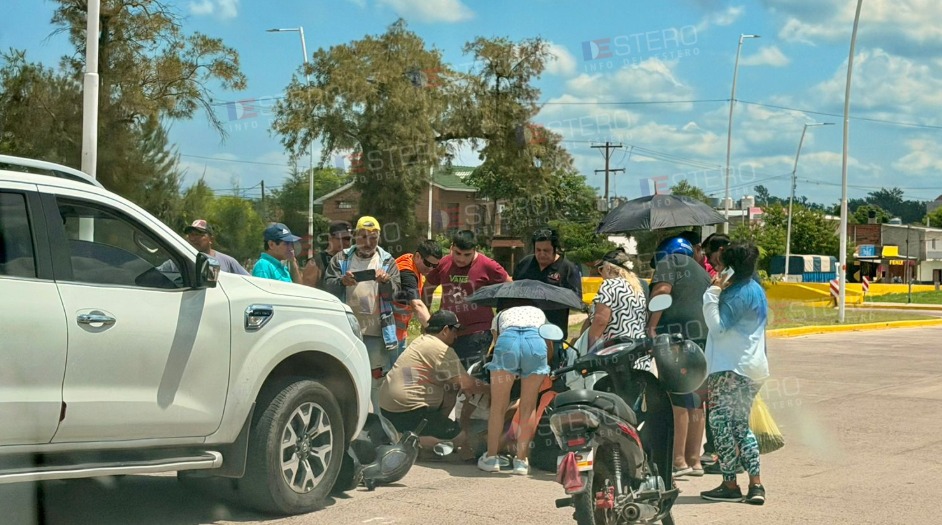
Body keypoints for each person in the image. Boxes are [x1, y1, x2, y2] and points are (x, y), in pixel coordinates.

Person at [699, 242, 769, 505]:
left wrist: (712, 293)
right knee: (740, 426)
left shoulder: (737, 294)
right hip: (752, 367)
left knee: (720, 425)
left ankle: (730, 483)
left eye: (721, 264)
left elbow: (718, 328)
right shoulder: (756, 290)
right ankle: (756, 484)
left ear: (731, 267)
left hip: (730, 368)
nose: (717, 268)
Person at [380, 310, 490, 456]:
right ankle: (406, 439)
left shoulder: (420, 341)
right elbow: (467, 384)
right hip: (409, 411)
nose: (456, 336)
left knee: (450, 388)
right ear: (445, 330)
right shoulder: (441, 349)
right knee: (460, 437)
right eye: (454, 331)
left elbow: (455, 384)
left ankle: (411, 434)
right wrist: (493, 390)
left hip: (388, 408)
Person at [647, 236, 712, 478]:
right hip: (702, 339)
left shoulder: (670, 261)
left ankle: (677, 461)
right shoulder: (702, 271)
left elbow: (662, 291)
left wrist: (651, 327)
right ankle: (695, 460)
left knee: (677, 397)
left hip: (676, 339)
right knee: (696, 399)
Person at [324, 216, 401, 411]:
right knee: (344, 380)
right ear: (355, 236)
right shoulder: (340, 259)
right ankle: (349, 424)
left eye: (373, 238)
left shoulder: (387, 261)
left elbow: (396, 294)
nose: (368, 243)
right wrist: (342, 281)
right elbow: (326, 288)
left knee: (377, 384)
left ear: (379, 238)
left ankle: (378, 427)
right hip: (346, 331)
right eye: (363, 237)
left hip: (376, 333)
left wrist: (386, 281)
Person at [478, 301, 551, 475]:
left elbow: (496, 343)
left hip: (508, 341)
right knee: (528, 406)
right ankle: (521, 461)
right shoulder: (538, 312)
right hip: (535, 342)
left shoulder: (499, 316)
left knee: (498, 406)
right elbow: (548, 343)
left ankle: (491, 458)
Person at [423, 230, 511, 368]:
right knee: (447, 375)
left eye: (467, 255)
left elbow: (511, 287)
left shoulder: (488, 265)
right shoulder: (444, 263)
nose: (461, 259)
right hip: (448, 331)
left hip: (478, 331)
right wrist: (427, 318)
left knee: (470, 374)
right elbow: (428, 287)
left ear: (475, 250)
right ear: (452, 247)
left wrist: (503, 316)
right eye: (457, 253)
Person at [512, 228, 582, 365]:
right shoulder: (525, 264)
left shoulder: (568, 268)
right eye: (538, 250)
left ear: (555, 249)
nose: (541, 254)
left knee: (551, 374)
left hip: (553, 333)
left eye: (546, 250)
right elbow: (514, 290)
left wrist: (551, 294)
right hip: (524, 330)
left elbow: (577, 300)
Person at [583, 248, 647, 351]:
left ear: (608, 268)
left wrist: (589, 347)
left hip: (616, 350)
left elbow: (601, 321)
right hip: (638, 349)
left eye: (601, 269)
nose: (601, 275)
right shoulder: (637, 287)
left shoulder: (609, 285)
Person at [392, 239, 444, 363]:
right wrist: (434, 332)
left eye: (435, 266)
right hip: (389, 335)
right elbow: (417, 305)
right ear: (418, 256)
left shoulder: (413, 264)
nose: (431, 269)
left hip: (398, 333)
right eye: (428, 263)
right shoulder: (407, 273)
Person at [160, 219, 250, 275]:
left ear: (211, 239)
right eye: (190, 235)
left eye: (198, 235)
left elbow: (248, 282)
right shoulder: (177, 262)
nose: (193, 239)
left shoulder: (228, 262)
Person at [314, 220, 352, 289]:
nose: (346, 242)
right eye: (341, 239)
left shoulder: (352, 259)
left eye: (348, 239)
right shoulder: (318, 261)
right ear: (330, 238)